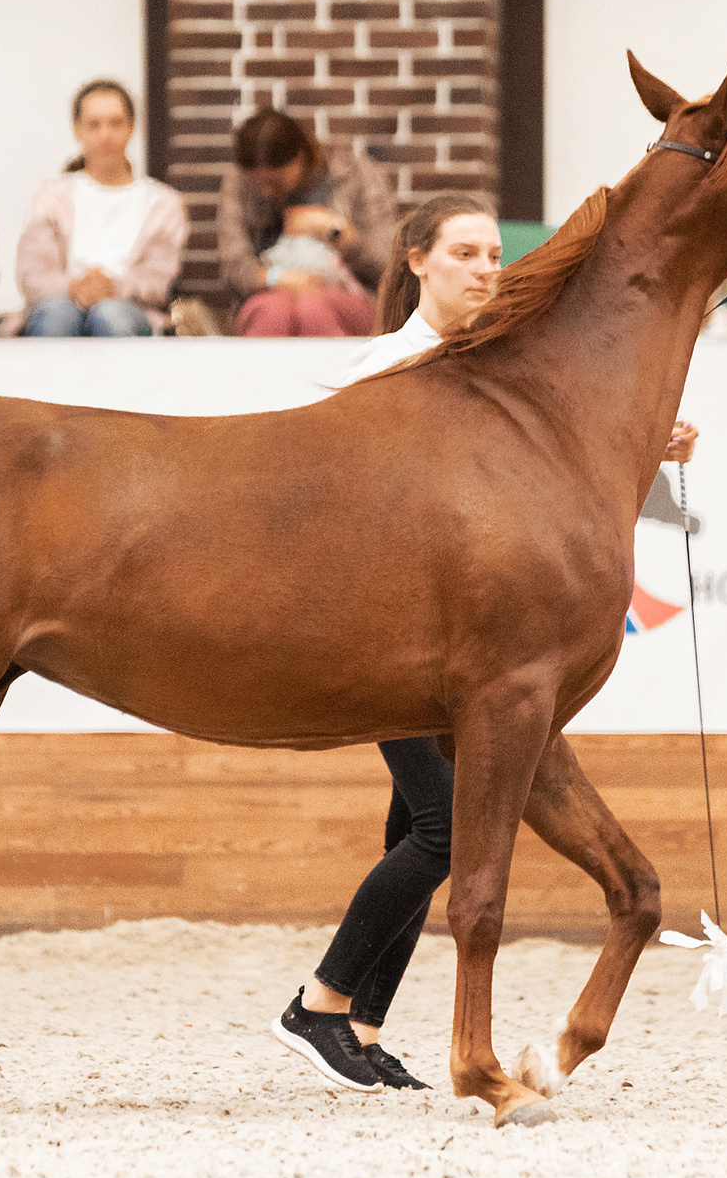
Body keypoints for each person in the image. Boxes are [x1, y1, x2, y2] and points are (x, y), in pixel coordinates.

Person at [268, 195, 699, 1094]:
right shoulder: (384, 369)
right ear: (417, 261)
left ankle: (357, 1023)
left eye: (496, 252)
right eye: (463, 252)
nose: (486, 268)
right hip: (391, 628)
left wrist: (651, 457)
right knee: (441, 828)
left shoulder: (506, 370)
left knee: (414, 826)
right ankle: (320, 1000)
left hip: (456, 633)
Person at [14, 81, 188, 337]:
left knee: (110, 315)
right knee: (56, 315)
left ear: (131, 128)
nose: (105, 134)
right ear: (77, 130)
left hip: (129, 308)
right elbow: (33, 274)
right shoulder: (52, 196)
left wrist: (112, 287)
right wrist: (75, 287)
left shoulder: (163, 203)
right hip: (60, 301)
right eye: (94, 125)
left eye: (115, 123)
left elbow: (158, 280)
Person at [219, 108, 398, 336]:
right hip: (268, 297)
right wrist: (277, 278)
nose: (265, 191)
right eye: (257, 183)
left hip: (348, 294)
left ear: (300, 157)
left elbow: (387, 265)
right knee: (270, 311)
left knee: (313, 307)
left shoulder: (355, 174)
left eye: (274, 180)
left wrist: (335, 230)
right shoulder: (238, 183)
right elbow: (233, 267)